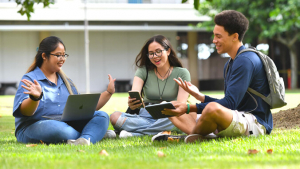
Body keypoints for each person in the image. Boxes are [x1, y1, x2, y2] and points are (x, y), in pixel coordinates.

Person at [156, 10, 272, 143]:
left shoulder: (246, 60)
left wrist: (189, 108)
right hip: (235, 116)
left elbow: (229, 104)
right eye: (214, 36)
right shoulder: (231, 63)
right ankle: (201, 136)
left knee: (207, 108)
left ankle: (188, 138)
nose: (214, 40)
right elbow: (229, 103)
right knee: (171, 106)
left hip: (255, 123)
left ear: (234, 36)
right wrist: (200, 97)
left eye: (218, 36)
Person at [13, 36, 115, 145]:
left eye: (64, 55)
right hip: (34, 126)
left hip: (66, 124)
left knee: (102, 116)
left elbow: (83, 110)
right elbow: (25, 112)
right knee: (61, 130)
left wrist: (108, 92)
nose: (62, 58)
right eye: (58, 55)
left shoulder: (67, 82)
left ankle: (86, 138)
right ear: (44, 56)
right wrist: (35, 98)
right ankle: (93, 134)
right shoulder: (30, 79)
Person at [109, 35, 191, 138]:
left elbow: (181, 105)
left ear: (168, 51)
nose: (155, 56)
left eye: (158, 51)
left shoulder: (182, 73)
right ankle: (157, 131)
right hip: (145, 115)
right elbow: (135, 93)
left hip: (170, 115)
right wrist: (132, 103)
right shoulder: (143, 71)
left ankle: (134, 133)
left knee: (180, 118)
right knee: (114, 117)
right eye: (151, 53)